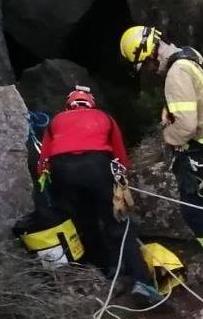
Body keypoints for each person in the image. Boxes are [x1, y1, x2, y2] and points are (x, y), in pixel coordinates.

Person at [120, 25, 203, 283]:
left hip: (198, 146)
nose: (151, 71)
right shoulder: (189, 54)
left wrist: (167, 136)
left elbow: (186, 126)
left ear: (150, 55)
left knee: (193, 208)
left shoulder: (175, 74)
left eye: (147, 65)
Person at [36, 88, 164, 305]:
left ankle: (107, 272)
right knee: (118, 223)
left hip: (62, 170)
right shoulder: (104, 118)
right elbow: (120, 155)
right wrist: (121, 181)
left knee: (83, 224)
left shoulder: (57, 120)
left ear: (69, 105)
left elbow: (44, 161)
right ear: (91, 104)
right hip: (97, 166)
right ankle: (143, 283)